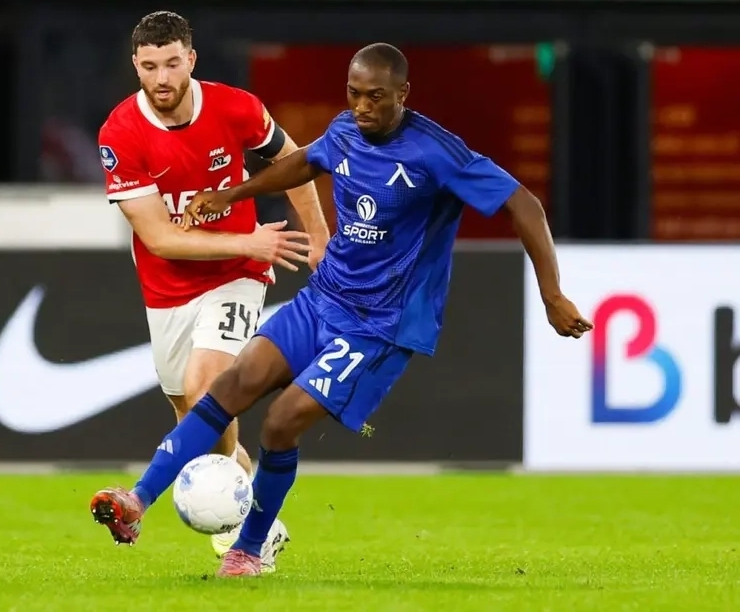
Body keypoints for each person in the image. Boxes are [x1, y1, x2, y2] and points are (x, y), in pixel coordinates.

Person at [89, 43, 593, 577]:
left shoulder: (435, 152)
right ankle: (137, 501)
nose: (362, 107)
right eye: (354, 94)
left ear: (403, 94)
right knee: (233, 385)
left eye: (376, 97)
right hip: (323, 298)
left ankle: (248, 550)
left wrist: (552, 294)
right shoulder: (346, 129)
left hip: (380, 324)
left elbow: (524, 205)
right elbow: (304, 161)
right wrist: (234, 194)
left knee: (281, 423)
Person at [94, 11, 330, 567]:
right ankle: (255, 529)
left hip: (235, 276)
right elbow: (159, 238)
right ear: (136, 66)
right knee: (199, 421)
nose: (162, 78)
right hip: (167, 288)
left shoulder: (235, 108)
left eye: (172, 63)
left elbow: (294, 161)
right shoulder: (120, 133)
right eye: (150, 66)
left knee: (207, 390)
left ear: (191, 60)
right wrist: (249, 239)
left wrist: (320, 237)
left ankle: (149, 504)